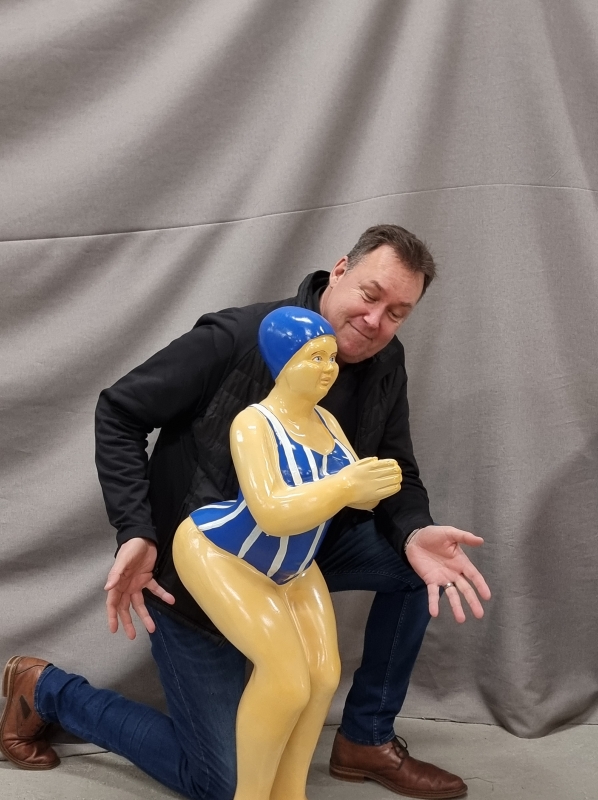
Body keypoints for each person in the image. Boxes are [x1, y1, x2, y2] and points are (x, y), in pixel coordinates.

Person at [0, 224, 490, 800]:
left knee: (422, 565)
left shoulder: (385, 360)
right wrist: (137, 530)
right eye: (370, 294)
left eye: (397, 313)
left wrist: (413, 531)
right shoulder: (236, 337)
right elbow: (120, 411)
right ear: (339, 271)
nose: (375, 321)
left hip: (301, 552)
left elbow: (394, 466)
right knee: (223, 782)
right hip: (205, 567)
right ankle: (48, 691)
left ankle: (366, 739)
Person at [173, 306, 402, 799]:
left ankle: (290, 794)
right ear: (283, 362)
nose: (329, 368)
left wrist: (374, 484)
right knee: (285, 681)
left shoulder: (326, 421)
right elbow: (272, 512)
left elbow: (356, 496)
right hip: (224, 554)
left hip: (294, 568)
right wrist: (348, 485)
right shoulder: (253, 424)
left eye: (332, 358)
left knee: (322, 678)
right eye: (315, 357)